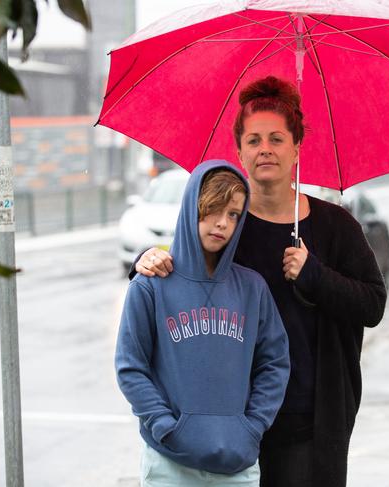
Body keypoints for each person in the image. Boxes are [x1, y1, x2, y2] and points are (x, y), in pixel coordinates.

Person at [131, 76, 387, 487]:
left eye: (276, 138)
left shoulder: (335, 226)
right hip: (232, 422)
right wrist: (146, 260)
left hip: (312, 418)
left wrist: (315, 275)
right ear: (239, 152)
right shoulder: (228, 224)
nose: (265, 149)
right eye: (253, 140)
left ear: (297, 147)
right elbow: (183, 268)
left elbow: (373, 305)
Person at [116, 160, 290, 487]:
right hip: (170, 463)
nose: (222, 223)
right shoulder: (151, 284)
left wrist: (252, 425)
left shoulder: (252, 288)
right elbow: (130, 366)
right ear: (192, 206)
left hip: (237, 465)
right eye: (214, 209)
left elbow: (275, 363)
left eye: (234, 214)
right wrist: (165, 426)